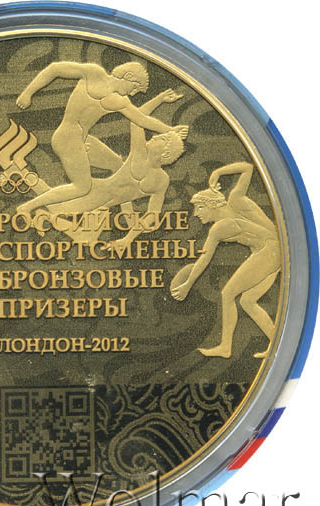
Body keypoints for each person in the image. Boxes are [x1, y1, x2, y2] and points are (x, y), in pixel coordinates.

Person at [15, 61, 188, 213]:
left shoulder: (120, 101)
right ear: (128, 76)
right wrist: (27, 93)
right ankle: (28, 207)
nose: (134, 93)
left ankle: (127, 215)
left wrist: (169, 129)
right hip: (67, 139)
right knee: (82, 187)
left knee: (116, 162)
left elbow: (141, 119)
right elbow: (55, 68)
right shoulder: (93, 72)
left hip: (83, 140)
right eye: (135, 88)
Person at [42, 90, 186, 245]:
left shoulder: (156, 174)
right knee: (54, 209)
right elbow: (138, 117)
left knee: (75, 229)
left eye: (162, 139)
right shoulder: (151, 168)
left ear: (165, 154)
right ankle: (29, 179)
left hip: (102, 205)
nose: (155, 136)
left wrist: (127, 239)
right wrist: (160, 99)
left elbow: (153, 214)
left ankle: (29, 182)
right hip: (94, 193)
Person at [171, 162, 280, 359]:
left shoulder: (220, 227)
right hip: (275, 252)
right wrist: (218, 172)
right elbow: (247, 168)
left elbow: (204, 259)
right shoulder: (236, 202)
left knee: (228, 294)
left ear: (212, 205)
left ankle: (225, 347)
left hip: (268, 251)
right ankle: (276, 343)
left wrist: (188, 284)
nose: (196, 214)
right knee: (247, 301)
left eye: (199, 208)